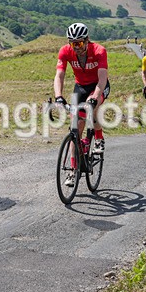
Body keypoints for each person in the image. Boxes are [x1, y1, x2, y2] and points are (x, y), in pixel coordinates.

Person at [54, 23, 110, 186]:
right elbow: (59, 75)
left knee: (91, 107)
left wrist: (95, 97)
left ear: (87, 40)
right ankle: (73, 170)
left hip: (99, 85)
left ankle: (98, 138)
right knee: (75, 127)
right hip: (80, 86)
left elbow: (102, 79)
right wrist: (58, 96)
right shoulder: (65, 51)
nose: (76, 47)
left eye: (79, 43)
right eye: (73, 43)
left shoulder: (99, 51)